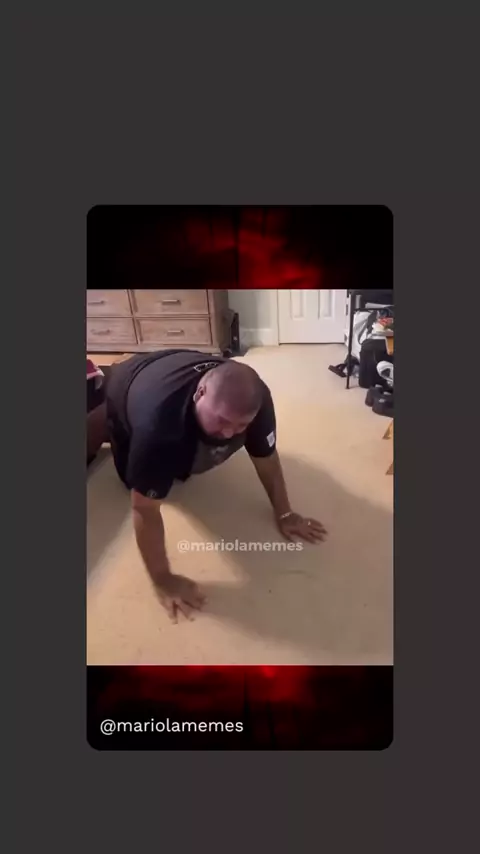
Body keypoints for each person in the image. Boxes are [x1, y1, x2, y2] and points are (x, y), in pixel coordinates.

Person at [87, 349, 327, 622]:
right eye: (223, 420)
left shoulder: (258, 400)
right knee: (136, 476)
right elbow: (144, 508)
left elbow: (266, 457)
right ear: (200, 394)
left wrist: (285, 512)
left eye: (241, 425)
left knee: (186, 454)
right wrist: (163, 579)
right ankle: (108, 408)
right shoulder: (159, 424)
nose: (229, 433)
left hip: (176, 365)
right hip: (129, 382)